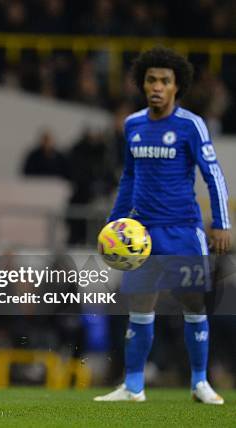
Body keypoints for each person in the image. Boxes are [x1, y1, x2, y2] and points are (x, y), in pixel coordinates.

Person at [94, 47, 231, 404]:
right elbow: (129, 177)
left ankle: (200, 382)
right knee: (139, 308)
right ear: (142, 84)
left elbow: (213, 175)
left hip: (184, 230)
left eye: (165, 81)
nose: (157, 86)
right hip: (143, 234)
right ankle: (134, 386)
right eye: (151, 80)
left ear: (176, 87)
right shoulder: (133, 124)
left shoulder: (191, 125)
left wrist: (221, 223)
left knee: (194, 305)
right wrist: (114, 224)